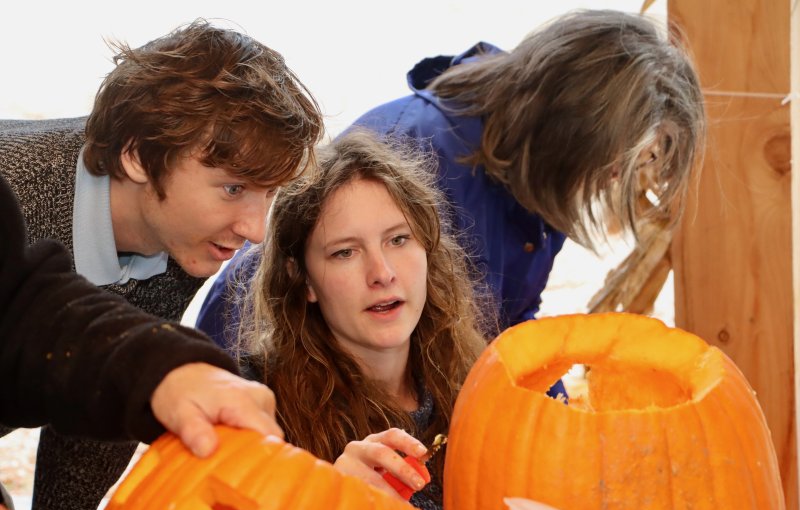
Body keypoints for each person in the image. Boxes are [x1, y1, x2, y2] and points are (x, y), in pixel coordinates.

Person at [197, 9, 705, 346]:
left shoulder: (539, 169)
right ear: (566, 124)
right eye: (612, 159)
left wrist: (553, 412)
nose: (614, 175)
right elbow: (253, 310)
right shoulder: (409, 151)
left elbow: (502, 323)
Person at [0, 19, 323, 510]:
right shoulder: (13, 190)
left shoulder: (186, 237)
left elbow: (93, 412)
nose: (255, 231)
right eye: (234, 188)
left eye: (270, 193)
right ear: (135, 156)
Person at [233, 130, 490, 510]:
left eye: (398, 239)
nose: (382, 273)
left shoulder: (478, 380)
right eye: (344, 252)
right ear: (302, 280)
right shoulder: (250, 412)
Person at [0, 175, 283, 510]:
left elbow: (18, 307)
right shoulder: (32, 185)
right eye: (233, 189)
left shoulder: (184, 246)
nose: (256, 231)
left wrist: (158, 369)